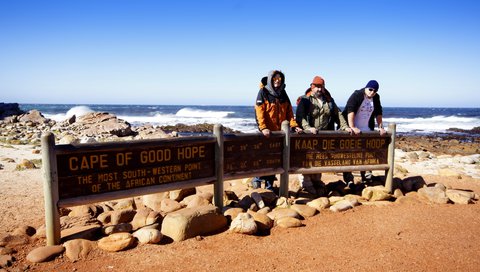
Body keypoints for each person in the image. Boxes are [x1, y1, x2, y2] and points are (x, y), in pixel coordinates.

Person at [295, 76, 352, 195]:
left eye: (321, 87)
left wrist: (345, 127)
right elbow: (300, 116)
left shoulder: (329, 100)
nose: (319, 89)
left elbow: (338, 114)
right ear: (312, 86)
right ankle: (306, 183)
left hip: (324, 136)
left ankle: (316, 181)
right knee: (308, 158)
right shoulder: (305, 100)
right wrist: (308, 128)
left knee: (319, 159)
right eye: (317, 87)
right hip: (310, 136)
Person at [252, 70, 303, 191]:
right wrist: (263, 128)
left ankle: (269, 186)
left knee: (275, 160)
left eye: (279, 79)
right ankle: (257, 180)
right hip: (266, 134)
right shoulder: (263, 92)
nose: (277, 81)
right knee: (264, 158)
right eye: (275, 79)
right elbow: (259, 112)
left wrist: (294, 125)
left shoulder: (283, 93)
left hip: (279, 134)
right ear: (270, 79)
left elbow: (289, 112)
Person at [342, 80, 386, 186]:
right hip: (352, 130)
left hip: (367, 130)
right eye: (370, 89)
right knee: (349, 154)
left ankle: (366, 177)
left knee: (367, 154)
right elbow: (350, 110)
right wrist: (352, 127)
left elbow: (378, 112)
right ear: (366, 88)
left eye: (374, 91)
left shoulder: (376, 97)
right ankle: (349, 179)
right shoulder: (357, 95)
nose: (372, 92)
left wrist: (380, 127)